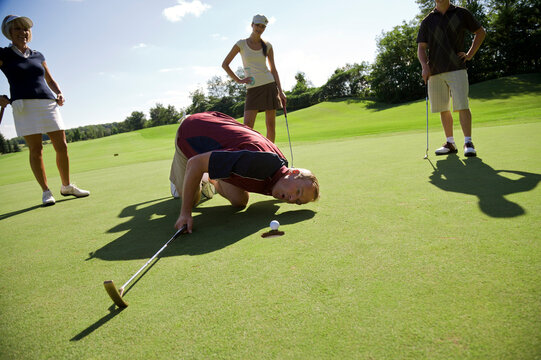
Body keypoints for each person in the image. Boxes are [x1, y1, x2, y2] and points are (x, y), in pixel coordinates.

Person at [169, 111, 319, 233]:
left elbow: (284, 189)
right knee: (192, 200)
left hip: (215, 129)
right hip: (192, 132)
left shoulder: (281, 172)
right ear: (293, 172)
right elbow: (195, 163)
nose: (292, 199)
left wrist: (291, 193)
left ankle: (209, 175)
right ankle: (190, 178)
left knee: (239, 201)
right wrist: (185, 214)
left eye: (297, 202)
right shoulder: (258, 163)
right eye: (298, 192)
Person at [0, 15, 89, 206]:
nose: (22, 33)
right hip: (24, 106)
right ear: (9, 33)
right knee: (36, 149)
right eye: (17, 29)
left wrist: (59, 92)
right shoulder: (3, 55)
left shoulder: (38, 55)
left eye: (25, 29)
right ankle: (46, 191)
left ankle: (66, 186)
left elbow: (49, 79)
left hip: (47, 103)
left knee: (62, 145)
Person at [417, 0, 486, 157]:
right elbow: (421, 47)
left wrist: (470, 54)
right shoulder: (428, 20)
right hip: (435, 71)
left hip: (457, 67)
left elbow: (480, 32)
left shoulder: (461, 13)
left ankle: (468, 142)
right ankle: (450, 143)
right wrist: (424, 66)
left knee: (462, 105)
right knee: (443, 108)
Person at [222, 14, 286, 143]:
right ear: (252, 25)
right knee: (247, 128)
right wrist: (239, 80)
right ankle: (247, 156)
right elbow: (225, 64)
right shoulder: (241, 44)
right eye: (257, 25)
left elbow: (273, 69)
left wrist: (281, 91)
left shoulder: (267, 45)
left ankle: (270, 156)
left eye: (263, 26)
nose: (259, 28)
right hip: (253, 89)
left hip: (269, 85)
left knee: (271, 126)